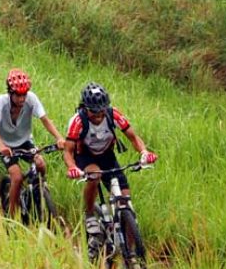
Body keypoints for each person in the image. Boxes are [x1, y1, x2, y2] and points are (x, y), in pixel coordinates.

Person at [63, 82, 158, 256]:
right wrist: (72, 168)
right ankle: (90, 215)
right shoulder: (78, 121)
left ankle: (130, 252)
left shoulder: (113, 114)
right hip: (85, 156)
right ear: (85, 108)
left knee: (125, 201)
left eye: (101, 111)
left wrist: (144, 153)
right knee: (95, 175)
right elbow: (68, 151)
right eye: (94, 112)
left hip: (107, 155)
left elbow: (133, 137)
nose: (98, 116)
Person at [0, 68, 65, 217]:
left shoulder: (31, 99)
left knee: (41, 164)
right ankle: (11, 215)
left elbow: (45, 120)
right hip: (5, 144)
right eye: (18, 95)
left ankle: (39, 191)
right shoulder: (1, 101)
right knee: (16, 177)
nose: (22, 99)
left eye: (24, 95)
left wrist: (59, 138)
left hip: (24, 141)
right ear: (10, 92)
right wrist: (1, 145)